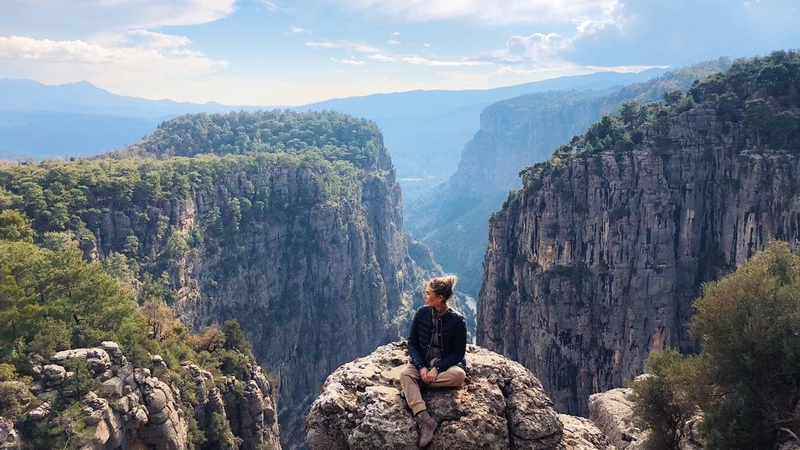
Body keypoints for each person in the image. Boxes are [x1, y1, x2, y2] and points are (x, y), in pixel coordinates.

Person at [400, 275, 467, 447]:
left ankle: (416, 387)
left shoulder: (457, 321)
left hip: (444, 367)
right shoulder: (421, 313)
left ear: (439, 299)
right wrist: (421, 366)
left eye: (428, 293)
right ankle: (425, 420)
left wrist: (437, 368)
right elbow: (412, 342)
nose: (425, 296)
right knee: (405, 375)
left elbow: (458, 353)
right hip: (422, 363)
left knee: (459, 375)